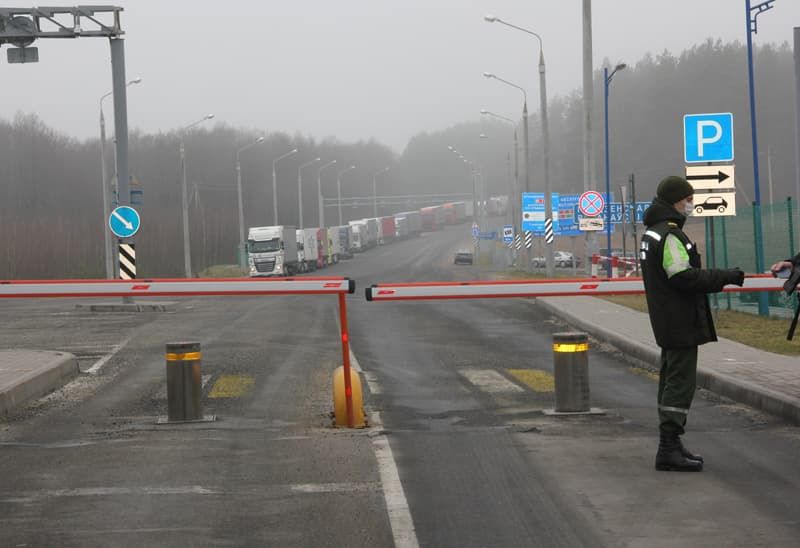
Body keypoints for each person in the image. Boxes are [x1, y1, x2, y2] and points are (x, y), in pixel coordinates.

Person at [640, 176, 745, 472]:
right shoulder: (670, 235)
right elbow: (682, 277)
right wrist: (724, 276)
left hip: (668, 319)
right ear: (676, 200)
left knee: (671, 379)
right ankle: (669, 448)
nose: (691, 203)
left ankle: (671, 444)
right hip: (679, 320)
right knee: (680, 383)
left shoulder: (653, 232)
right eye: (688, 199)